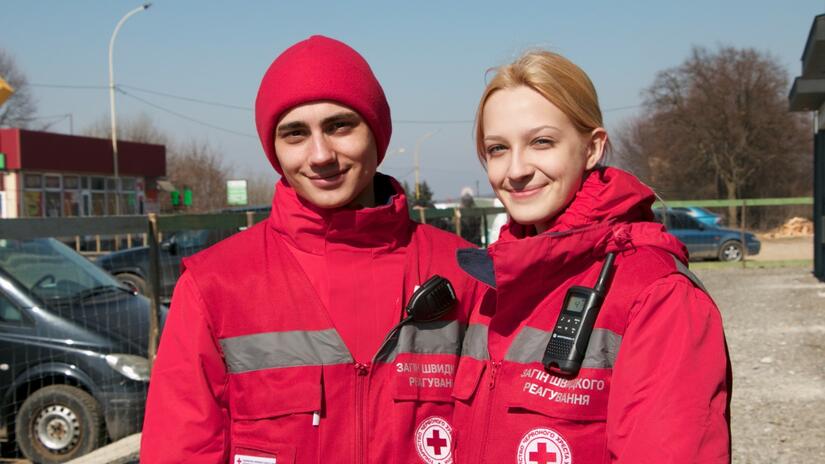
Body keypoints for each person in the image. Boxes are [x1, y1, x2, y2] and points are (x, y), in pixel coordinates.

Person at [141, 35, 482, 464]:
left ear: (376, 132)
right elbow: (179, 450)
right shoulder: (214, 286)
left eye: (340, 126)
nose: (320, 155)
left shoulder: (463, 275)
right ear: (274, 149)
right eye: (295, 133)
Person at [452, 50, 731, 463]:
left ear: (592, 148)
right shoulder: (494, 283)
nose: (515, 170)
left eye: (541, 142)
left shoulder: (657, 294)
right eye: (496, 149)